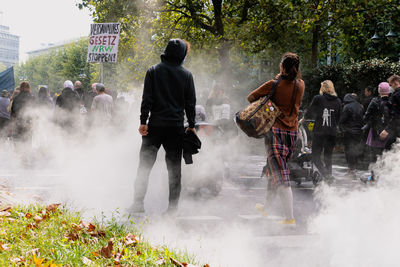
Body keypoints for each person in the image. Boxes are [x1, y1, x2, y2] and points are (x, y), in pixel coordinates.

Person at [131, 39, 196, 214]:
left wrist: (143, 122)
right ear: (182, 55)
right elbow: (191, 103)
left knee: (144, 166)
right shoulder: (187, 75)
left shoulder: (153, 71)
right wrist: (191, 124)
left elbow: (147, 99)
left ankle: (138, 204)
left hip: (155, 126)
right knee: (174, 169)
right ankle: (172, 208)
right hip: (176, 128)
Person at [248, 52, 304, 225]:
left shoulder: (273, 84)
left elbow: (251, 97)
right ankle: (267, 207)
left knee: (281, 175)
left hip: (275, 133)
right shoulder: (301, 85)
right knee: (275, 170)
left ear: (282, 66)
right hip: (293, 133)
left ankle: (289, 219)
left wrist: (270, 103)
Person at [304, 80, 341, 180]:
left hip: (320, 132)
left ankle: (327, 175)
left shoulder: (318, 98)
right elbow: (338, 118)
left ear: (322, 88)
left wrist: (304, 118)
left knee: (315, 156)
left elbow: (309, 112)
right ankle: (328, 182)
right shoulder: (338, 101)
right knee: (328, 157)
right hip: (332, 133)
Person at [363, 82, 391, 165]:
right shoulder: (392, 101)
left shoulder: (374, 101)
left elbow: (366, 116)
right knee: (387, 155)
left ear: (379, 91)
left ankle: (373, 175)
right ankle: (386, 175)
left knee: (374, 155)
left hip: (375, 131)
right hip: (389, 131)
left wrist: (369, 122)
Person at [339, 93, 364, 176]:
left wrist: (342, 130)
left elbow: (342, 120)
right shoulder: (360, 106)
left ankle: (350, 168)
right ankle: (354, 168)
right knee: (355, 149)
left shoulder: (347, 107)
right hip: (358, 132)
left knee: (348, 150)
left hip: (349, 132)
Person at [380, 75, 400, 149]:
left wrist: (387, 130)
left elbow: (396, 115)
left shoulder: (397, 95)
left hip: (397, 129)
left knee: (388, 149)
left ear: (395, 82)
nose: (390, 87)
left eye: (390, 85)